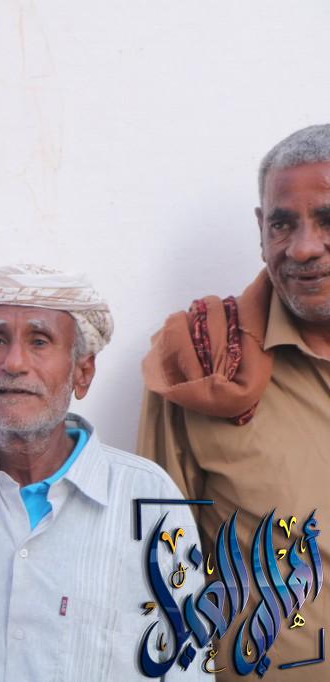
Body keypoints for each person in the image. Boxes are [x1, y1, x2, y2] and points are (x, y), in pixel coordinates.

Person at [0, 265, 203, 681]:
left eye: (39, 341)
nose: (14, 362)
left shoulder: (149, 500)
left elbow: (186, 668)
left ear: (82, 372)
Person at [138, 124, 330, 678]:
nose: (303, 248)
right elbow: (156, 569)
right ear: (260, 228)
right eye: (282, 224)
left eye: (328, 219)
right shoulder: (203, 363)